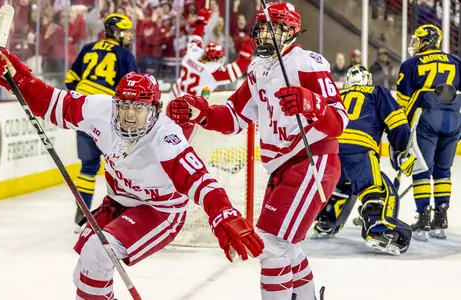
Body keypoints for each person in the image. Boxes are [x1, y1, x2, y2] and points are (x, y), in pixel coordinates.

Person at [0, 47, 264, 299]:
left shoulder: (165, 136)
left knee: (98, 253)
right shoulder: (102, 110)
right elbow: (53, 103)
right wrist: (17, 79)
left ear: (153, 109)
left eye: (139, 107)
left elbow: (199, 180)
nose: (129, 114)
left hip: (159, 211)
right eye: (125, 105)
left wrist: (224, 214)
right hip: (119, 203)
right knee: (84, 273)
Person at [168, 2, 347, 299]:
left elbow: (338, 120)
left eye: (272, 29)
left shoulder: (307, 63)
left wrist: (311, 103)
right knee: (285, 245)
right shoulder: (257, 68)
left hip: (312, 159)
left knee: (271, 243)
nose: (263, 34)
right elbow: (233, 117)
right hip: (282, 167)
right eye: (261, 28)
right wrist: (199, 113)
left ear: (290, 31)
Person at [312, 65, 414, 255]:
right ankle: (376, 225)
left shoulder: (338, 94)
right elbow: (396, 121)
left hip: (329, 149)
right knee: (373, 187)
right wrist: (401, 151)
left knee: (340, 185)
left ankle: (326, 220)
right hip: (360, 148)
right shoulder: (377, 91)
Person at [65, 13, 138, 232]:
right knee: (119, 165)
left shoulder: (88, 48)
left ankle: (82, 217)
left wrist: (84, 103)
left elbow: (70, 81)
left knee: (88, 166)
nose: (129, 36)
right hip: (109, 116)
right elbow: (133, 90)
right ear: (116, 32)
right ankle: (121, 215)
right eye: (126, 31)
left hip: (83, 113)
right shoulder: (124, 54)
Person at [397, 24, 461, 241]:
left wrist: (403, 127)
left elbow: (403, 100)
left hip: (425, 118)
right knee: (444, 170)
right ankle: (441, 218)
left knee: (422, 169)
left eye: (419, 40)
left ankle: (423, 218)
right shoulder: (456, 61)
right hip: (453, 120)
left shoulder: (411, 63)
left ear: (427, 41)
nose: (416, 44)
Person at [170, 8, 253, 140]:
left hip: (172, 101)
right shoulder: (212, 71)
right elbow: (236, 70)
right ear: (217, 59)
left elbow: (196, 38)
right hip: (188, 111)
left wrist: (202, 22)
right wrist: (248, 49)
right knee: (179, 146)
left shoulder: (192, 54)